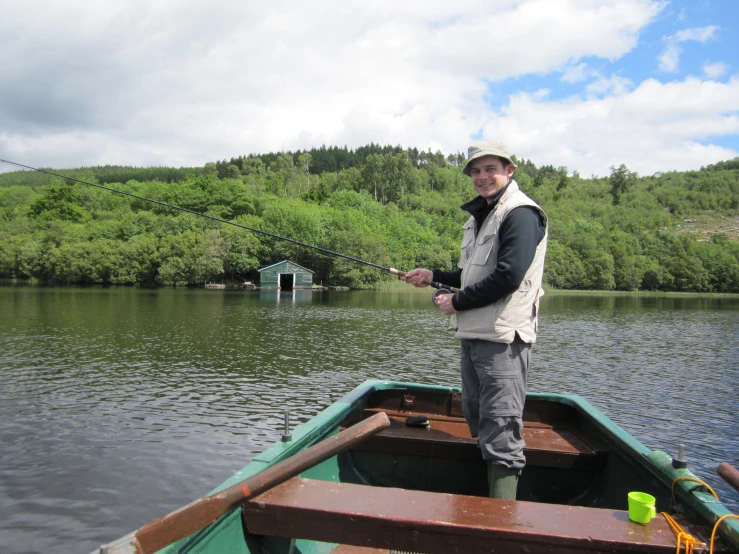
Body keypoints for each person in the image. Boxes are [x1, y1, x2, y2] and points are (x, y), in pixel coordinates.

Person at [402, 141, 548, 500]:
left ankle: (500, 524)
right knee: (478, 414)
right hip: (474, 335)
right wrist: (433, 275)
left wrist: (457, 301)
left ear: (509, 170)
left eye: (490, 169)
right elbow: (473, 275)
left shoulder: (520, 213)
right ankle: (485, 504)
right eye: (476, 171)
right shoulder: (480, 217)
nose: (482, 177)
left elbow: (509, 276)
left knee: (501, 426)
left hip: (502, 340)